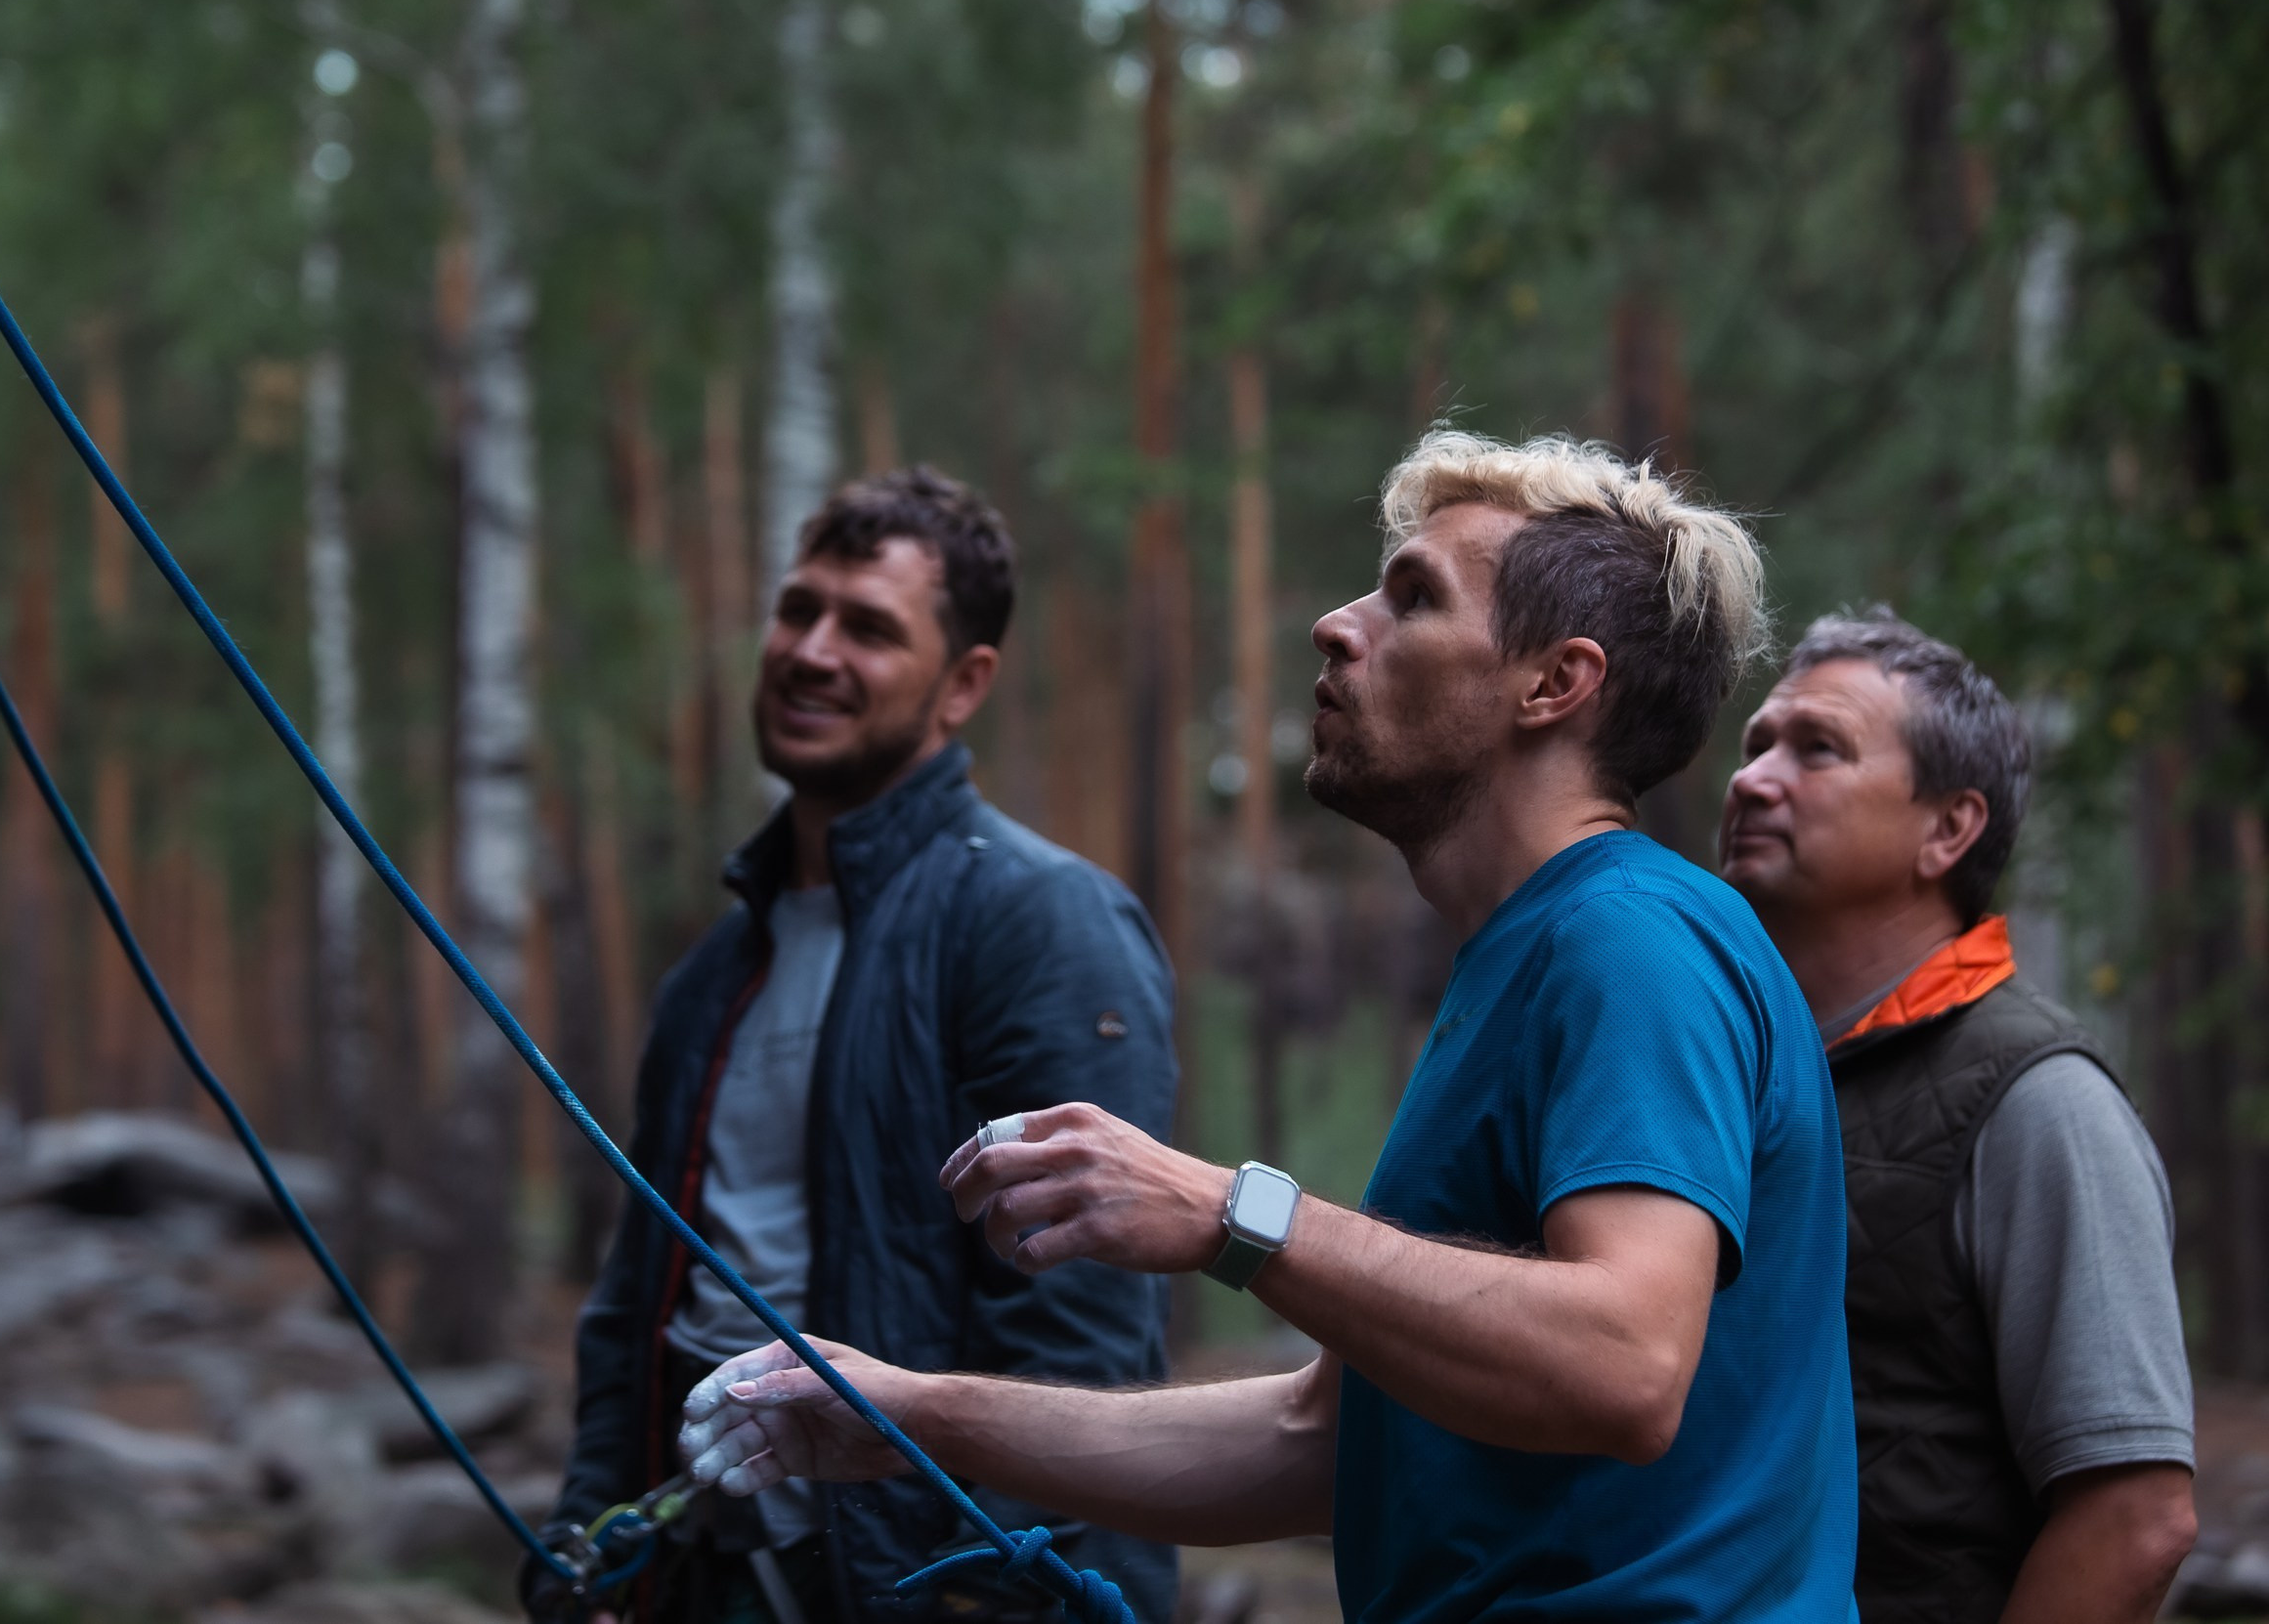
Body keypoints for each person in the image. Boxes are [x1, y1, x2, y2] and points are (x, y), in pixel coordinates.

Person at [678, 432, 1861, 1622]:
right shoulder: (1525, 959)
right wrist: (914, 1417)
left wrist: (1225, 1212)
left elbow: (1625, 1361)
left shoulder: (1630, 935)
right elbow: (1312, 1438)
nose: (1338, 625)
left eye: (1412, 598)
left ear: (1553, 683)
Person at [528, 468, 1180, 1624]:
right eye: (797, 609)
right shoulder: (712, 975)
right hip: (698, 1574)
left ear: (962, 683)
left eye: (868, 627)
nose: (811, 650)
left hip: (915, 1579)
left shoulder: (1037, 923)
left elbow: (1078, 1333)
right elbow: (637, 1304)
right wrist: (590, 1532)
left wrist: (988, 1593)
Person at [1716, 607, 2197, 1624]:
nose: (1752, 777)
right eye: (1757, 742)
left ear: (1947, 828)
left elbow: (2135, 1518)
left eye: (1817, 750)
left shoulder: (2039, 1101)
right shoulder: (1733, 1074)